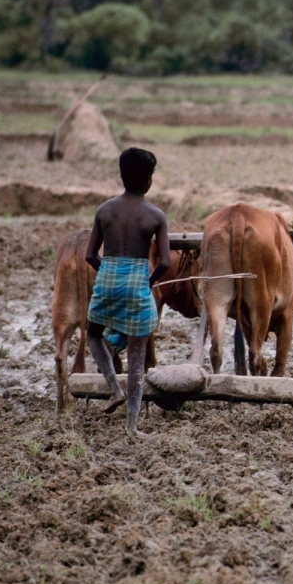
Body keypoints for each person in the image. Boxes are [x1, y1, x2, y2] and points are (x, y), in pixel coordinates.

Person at [85, 147, 170, 437]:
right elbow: (166, 263)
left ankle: (113, 387)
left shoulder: (105, 210)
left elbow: (90, 255)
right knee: (137, 360)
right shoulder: (155, 216)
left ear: (122, 176)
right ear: (149, 180)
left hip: (106, 280)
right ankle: (132, 427)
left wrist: (109, 273)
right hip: (137, 285)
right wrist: (147, 282)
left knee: (93, 334)